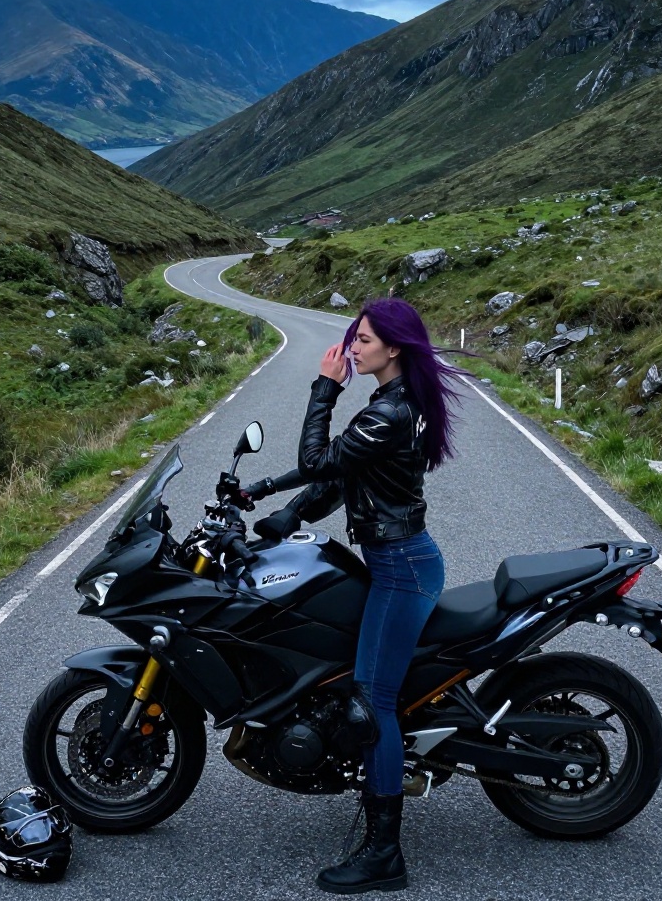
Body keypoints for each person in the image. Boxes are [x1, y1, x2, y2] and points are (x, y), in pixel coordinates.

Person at [256, 298, 468, 895]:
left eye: (365, 339)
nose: (353, 348)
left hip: (400, 568)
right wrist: (284, 512)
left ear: (394, 348)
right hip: (398, 558)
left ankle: (384, 855)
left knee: (372, 700)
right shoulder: (392, 407)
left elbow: (318, 459)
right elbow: (346, 477)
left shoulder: (390, 412)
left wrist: (324, 389)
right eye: (353, 338)